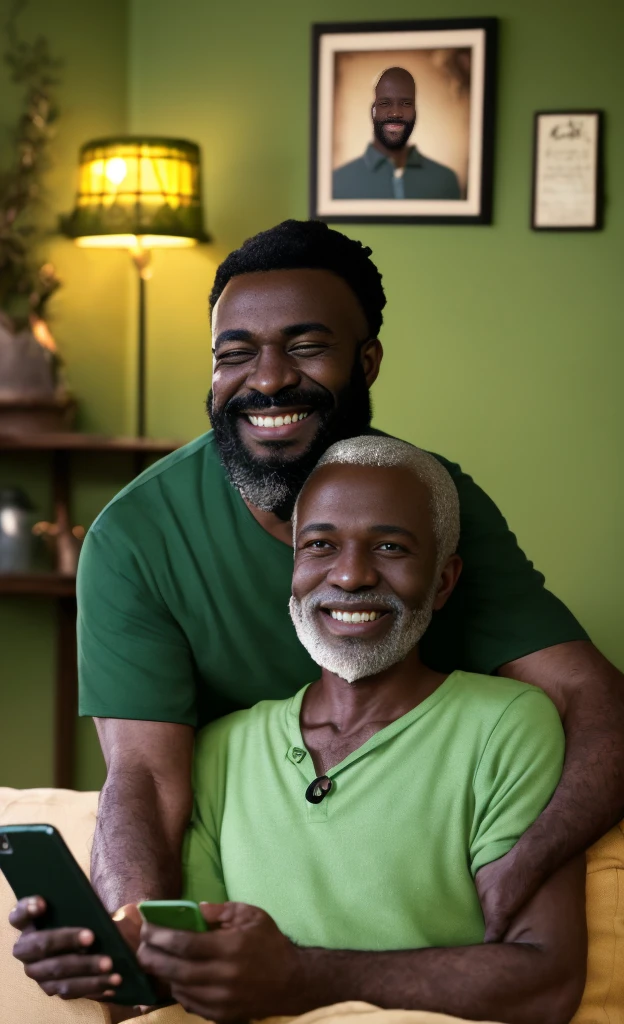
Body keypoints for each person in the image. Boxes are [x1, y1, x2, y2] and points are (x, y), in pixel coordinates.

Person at [74, 219, 622, 945]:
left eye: (306, 346)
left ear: (367, 363)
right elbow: (143, 779)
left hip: (424, 872)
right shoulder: (136, 537)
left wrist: (519, 869)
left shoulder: (435, 502)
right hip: (250, 873)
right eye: (235, 353)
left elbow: (594, 701)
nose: (268, 379)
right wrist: (133, 941)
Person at [11, 438, 587, 1024]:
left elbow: (542, 982)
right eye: (320, 546)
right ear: (294, 571)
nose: (351, 575)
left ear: (442, 582)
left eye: (390, 547)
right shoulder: (221, 749)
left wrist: (301, 976)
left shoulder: (507, 724)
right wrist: (105, 960)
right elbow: (192, 979)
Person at [332, 67, 461, 200]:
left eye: (406, 103)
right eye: (385, 103)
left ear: (415, 112)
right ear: (373, 111)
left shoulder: (445, 181)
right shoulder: (338, 182)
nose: (395, 113)